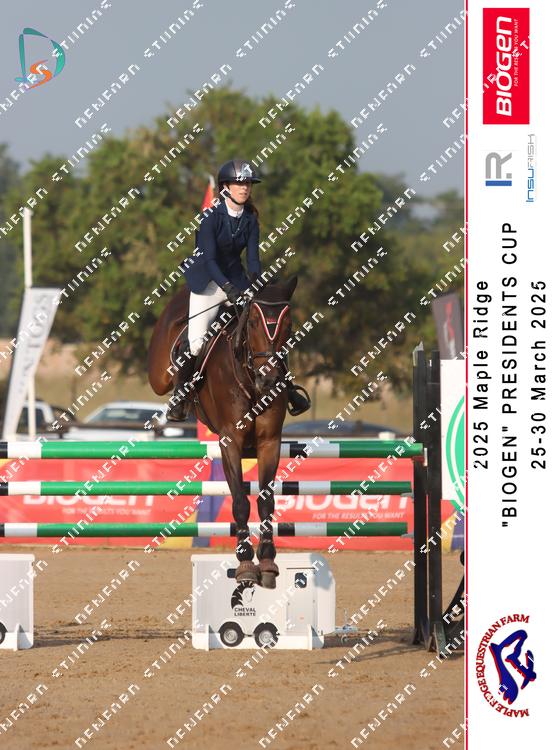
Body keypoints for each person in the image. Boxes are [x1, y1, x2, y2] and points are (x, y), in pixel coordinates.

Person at [166, 158, 310, 421]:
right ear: (225, 187)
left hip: (236, 280)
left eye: (248, 184)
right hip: (208, 282)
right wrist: (227, 288)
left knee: (265, 330)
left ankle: (288, 389)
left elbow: (253, 259)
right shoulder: (211, 218)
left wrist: (256, 283)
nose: (245, 188)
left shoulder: (250, 219)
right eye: (239, 183)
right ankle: (180, 395)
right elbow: (210, 260)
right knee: (196, 342)